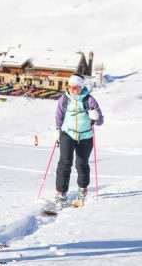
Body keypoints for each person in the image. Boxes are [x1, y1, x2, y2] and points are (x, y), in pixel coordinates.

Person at [53, 73, 104, 209]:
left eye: (75, 87)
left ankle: (82, 190)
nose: (72, 89)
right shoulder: (63, 99)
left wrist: (95, 116)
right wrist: (57, 130)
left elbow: (100, 122)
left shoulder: (90, 100)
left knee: (81, 164)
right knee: (64, 163)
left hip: (85, 136)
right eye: (69, 87)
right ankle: (60, 194)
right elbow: (59, 116)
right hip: (67, 134)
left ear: (81, 87)